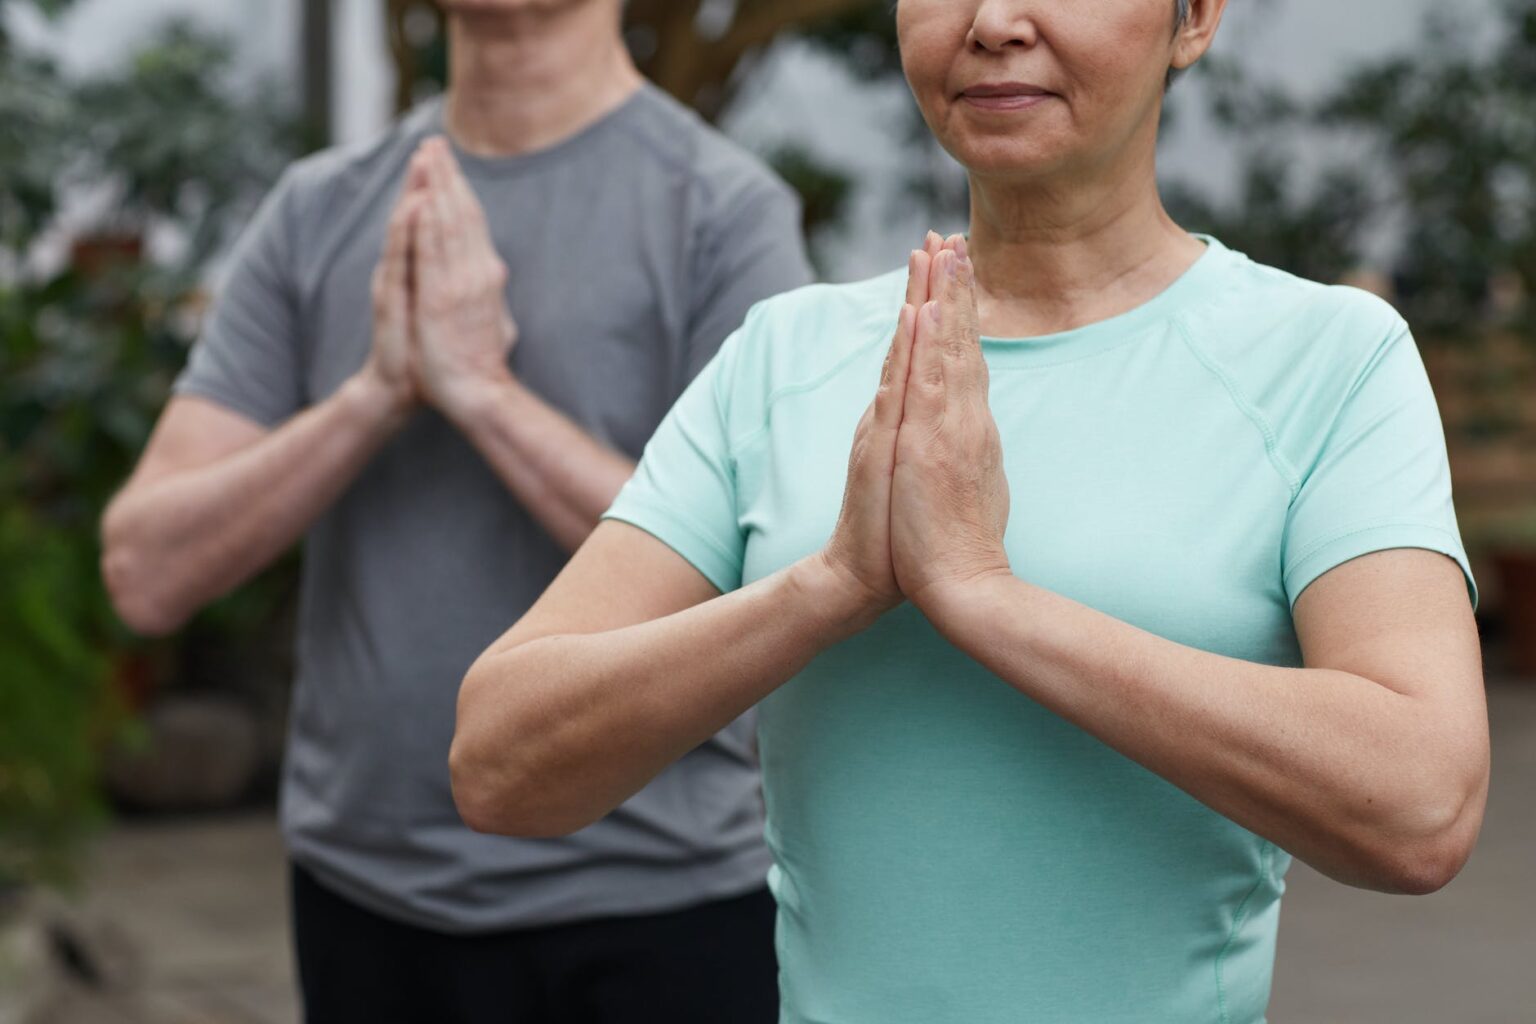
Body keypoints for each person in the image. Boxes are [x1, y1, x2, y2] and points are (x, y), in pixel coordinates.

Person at [448, 1, 1490, 1021]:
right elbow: (501, 765)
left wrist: (984, 597)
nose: (992, 20)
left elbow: (1420, 806)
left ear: (1196, 17)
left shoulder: (1329, 360)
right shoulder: (785, 358)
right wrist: (831, 586)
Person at [100, 0, 811, 1019]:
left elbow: (772, 582)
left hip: (660, 902)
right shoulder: (319, 210)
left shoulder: (723, 211)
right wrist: (372, 395)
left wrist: (485, 394)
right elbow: (143, 572)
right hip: (366, 896)